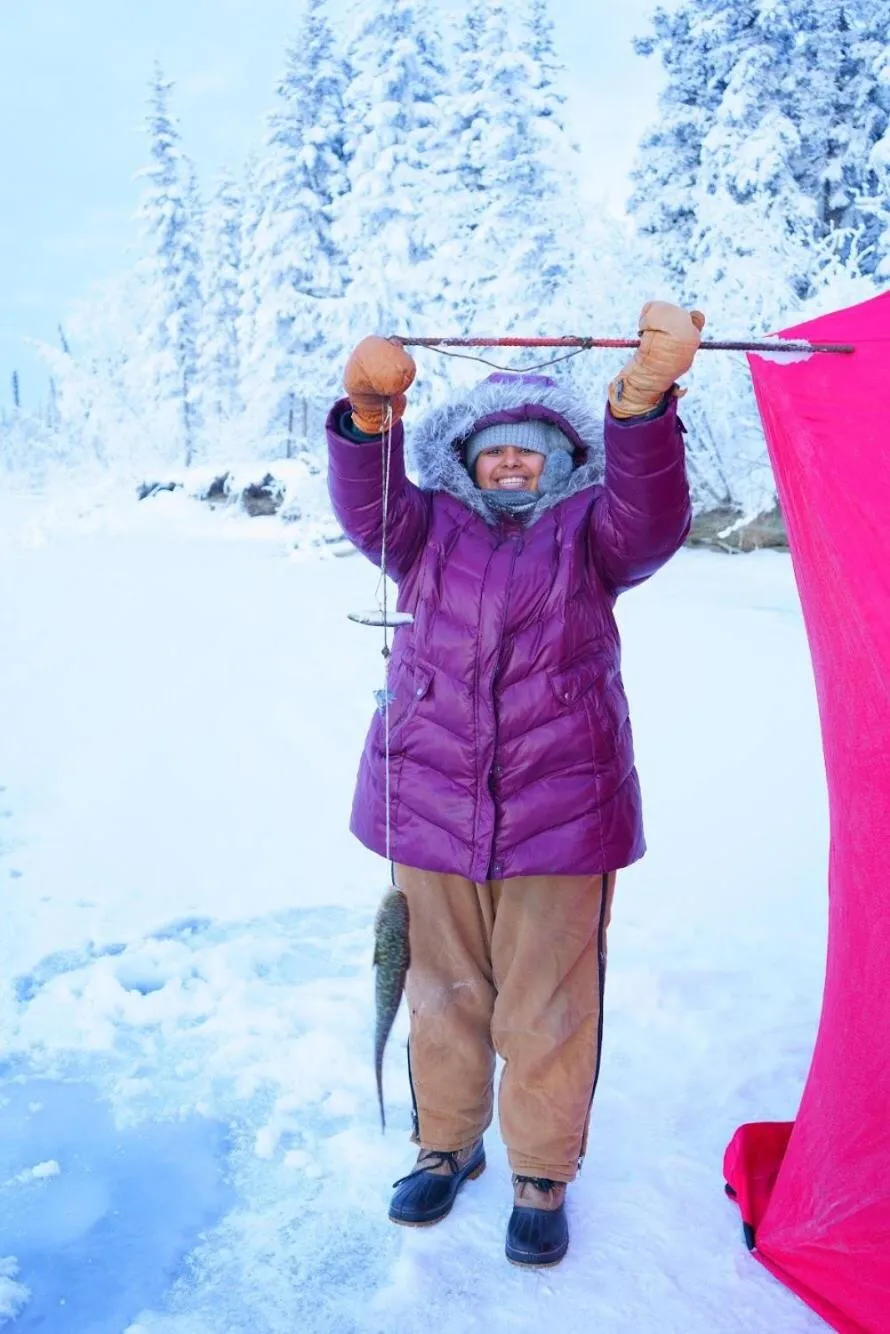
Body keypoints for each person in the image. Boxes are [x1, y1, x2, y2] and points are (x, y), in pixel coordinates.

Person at [326, 302, 704, 1267]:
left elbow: (653, 518)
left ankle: (541, 1169)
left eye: (530, 450)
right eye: (494, 451)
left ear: (560, 459)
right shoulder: (423, 531)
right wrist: (368, 417)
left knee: (548, 1002)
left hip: (561, 812)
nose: (511, 463)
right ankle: (445, 1146)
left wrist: (642, 410)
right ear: (468, 460)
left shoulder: (595, 534)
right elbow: (367, 502)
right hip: (430, 804)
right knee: (442, 991)